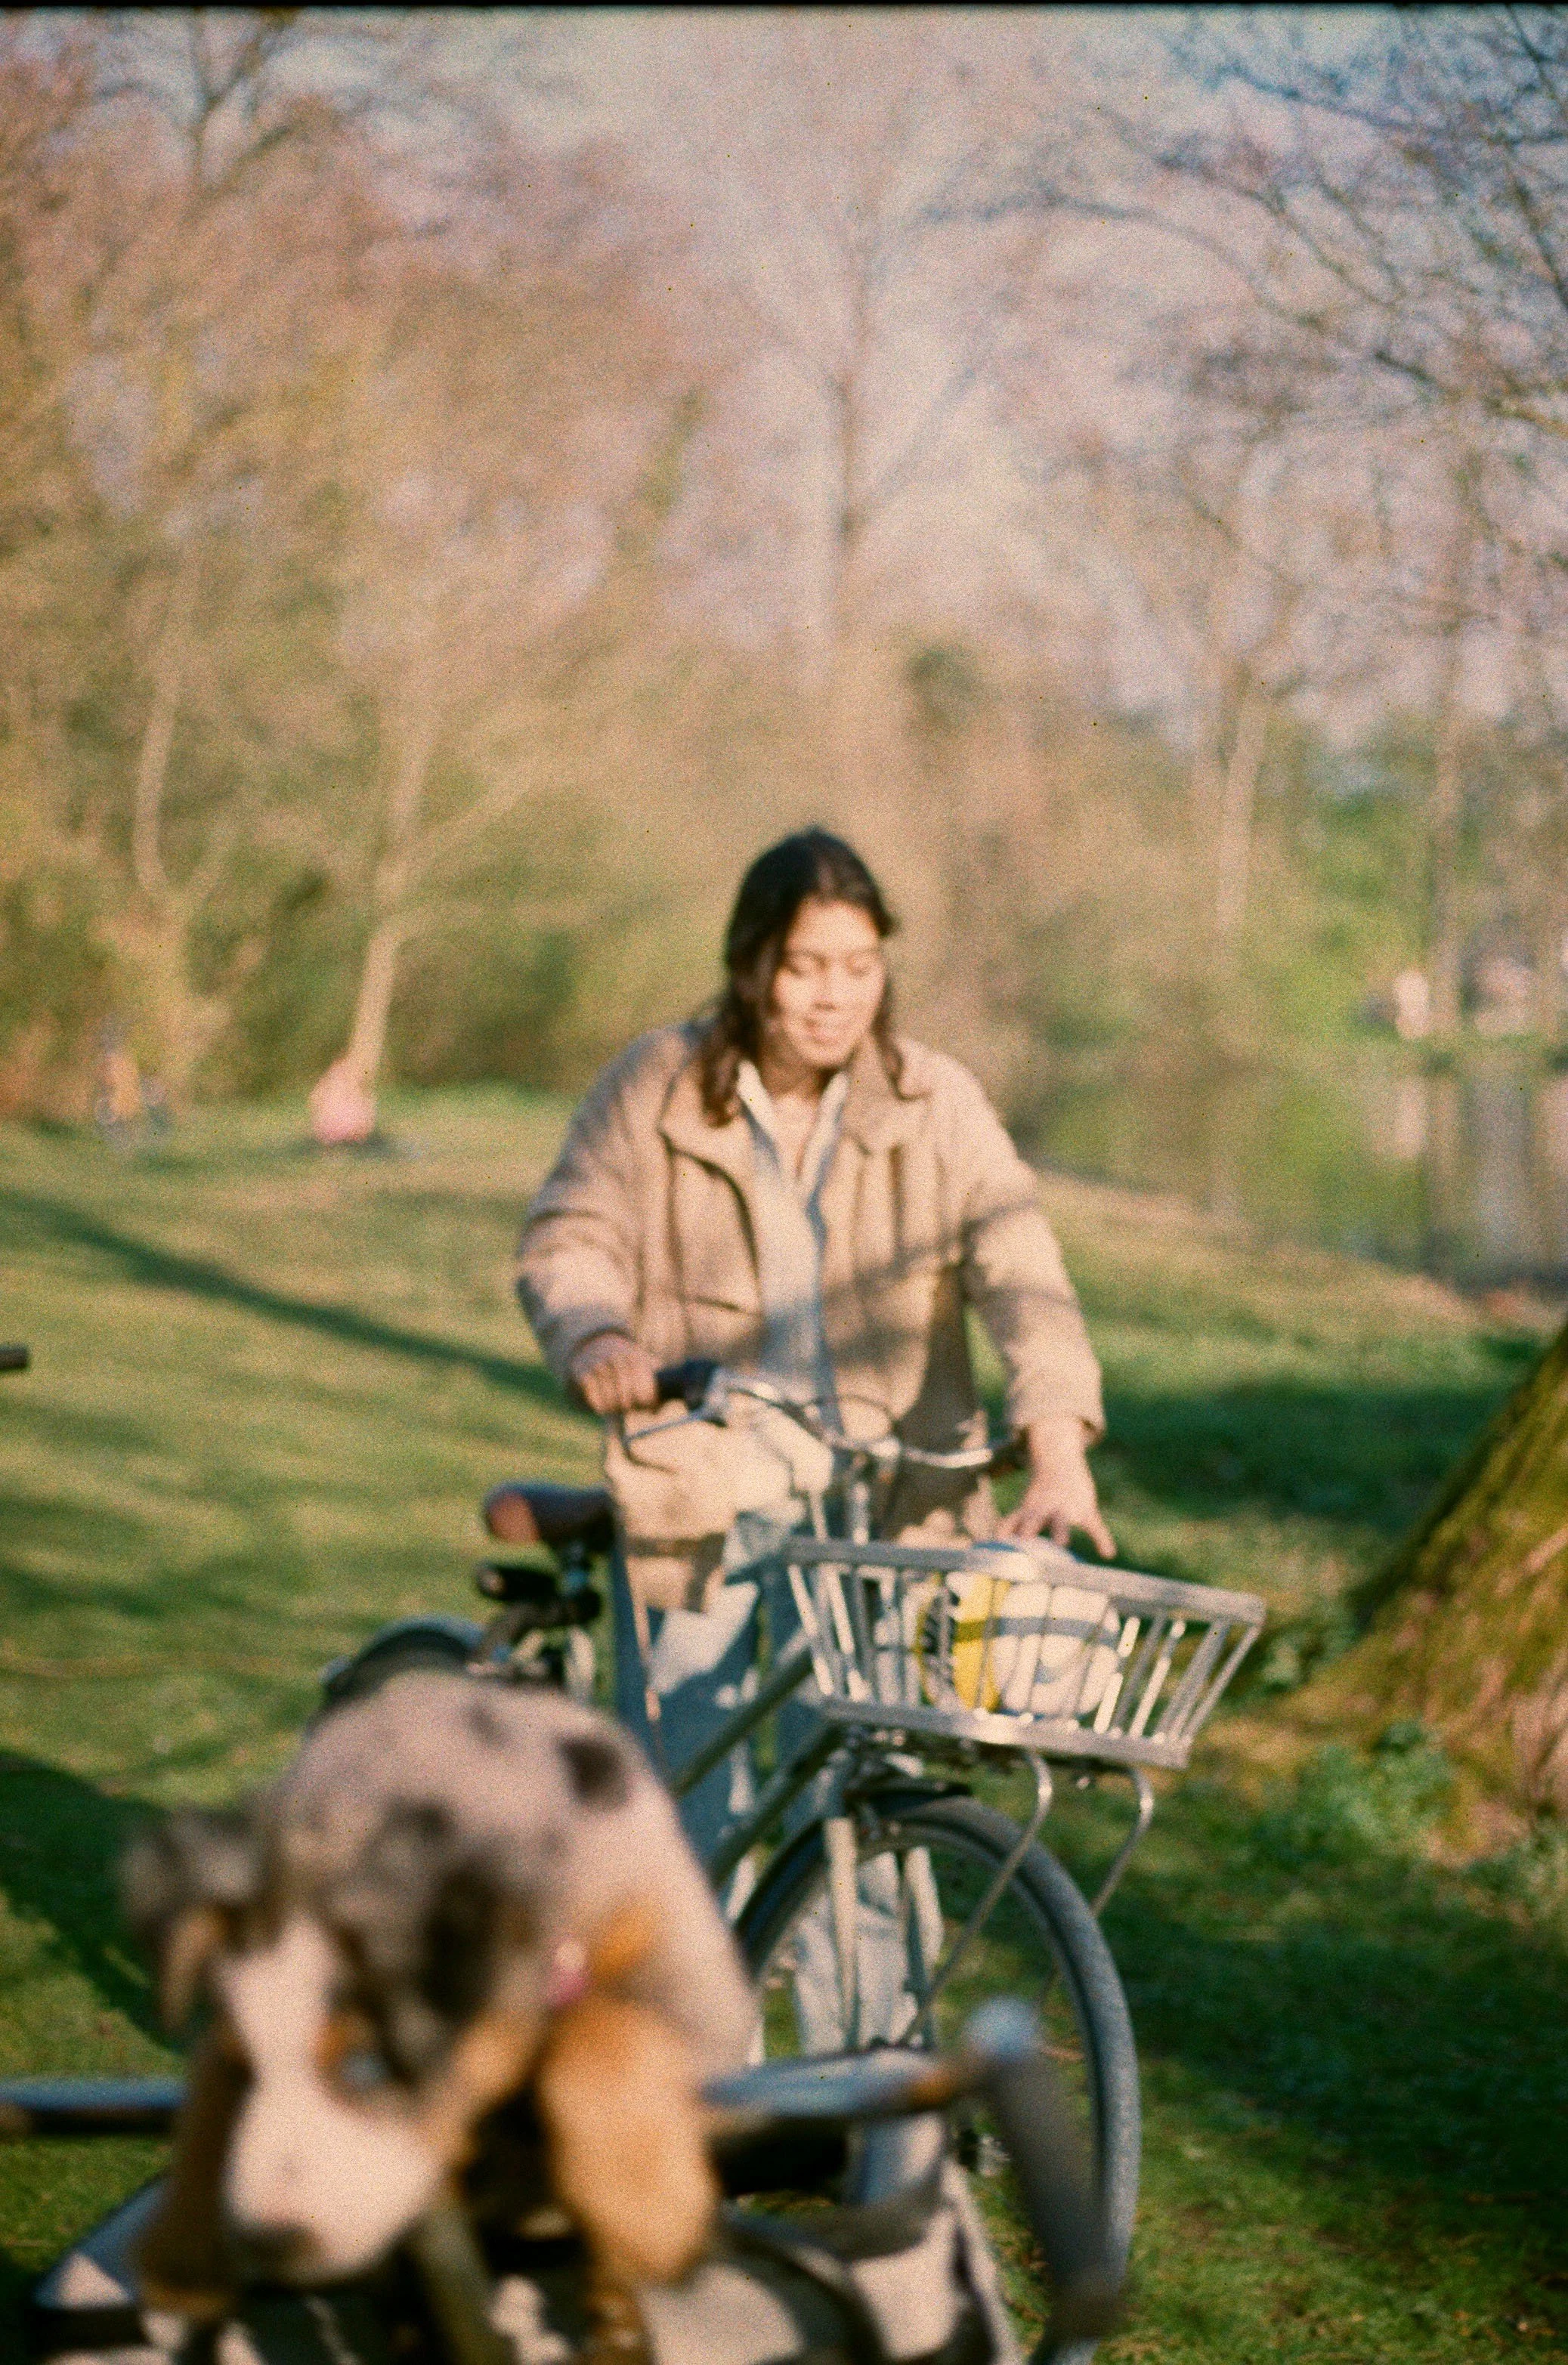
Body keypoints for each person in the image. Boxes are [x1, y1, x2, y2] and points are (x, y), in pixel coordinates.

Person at [515, 831, 1112, 1873]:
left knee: (866, 1820)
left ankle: (875, 2042)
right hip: (696, 1488)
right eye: (804, 967)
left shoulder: (935, 1102)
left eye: (859, 966)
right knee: (681, 1813)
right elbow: (572, 1232)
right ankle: (695, 2032)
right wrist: (597, 1330)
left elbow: (1023, 1270)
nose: (834, 997)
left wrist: (1055, 1440)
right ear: (750, 966)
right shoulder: (653, 1083)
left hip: (879, 1511)